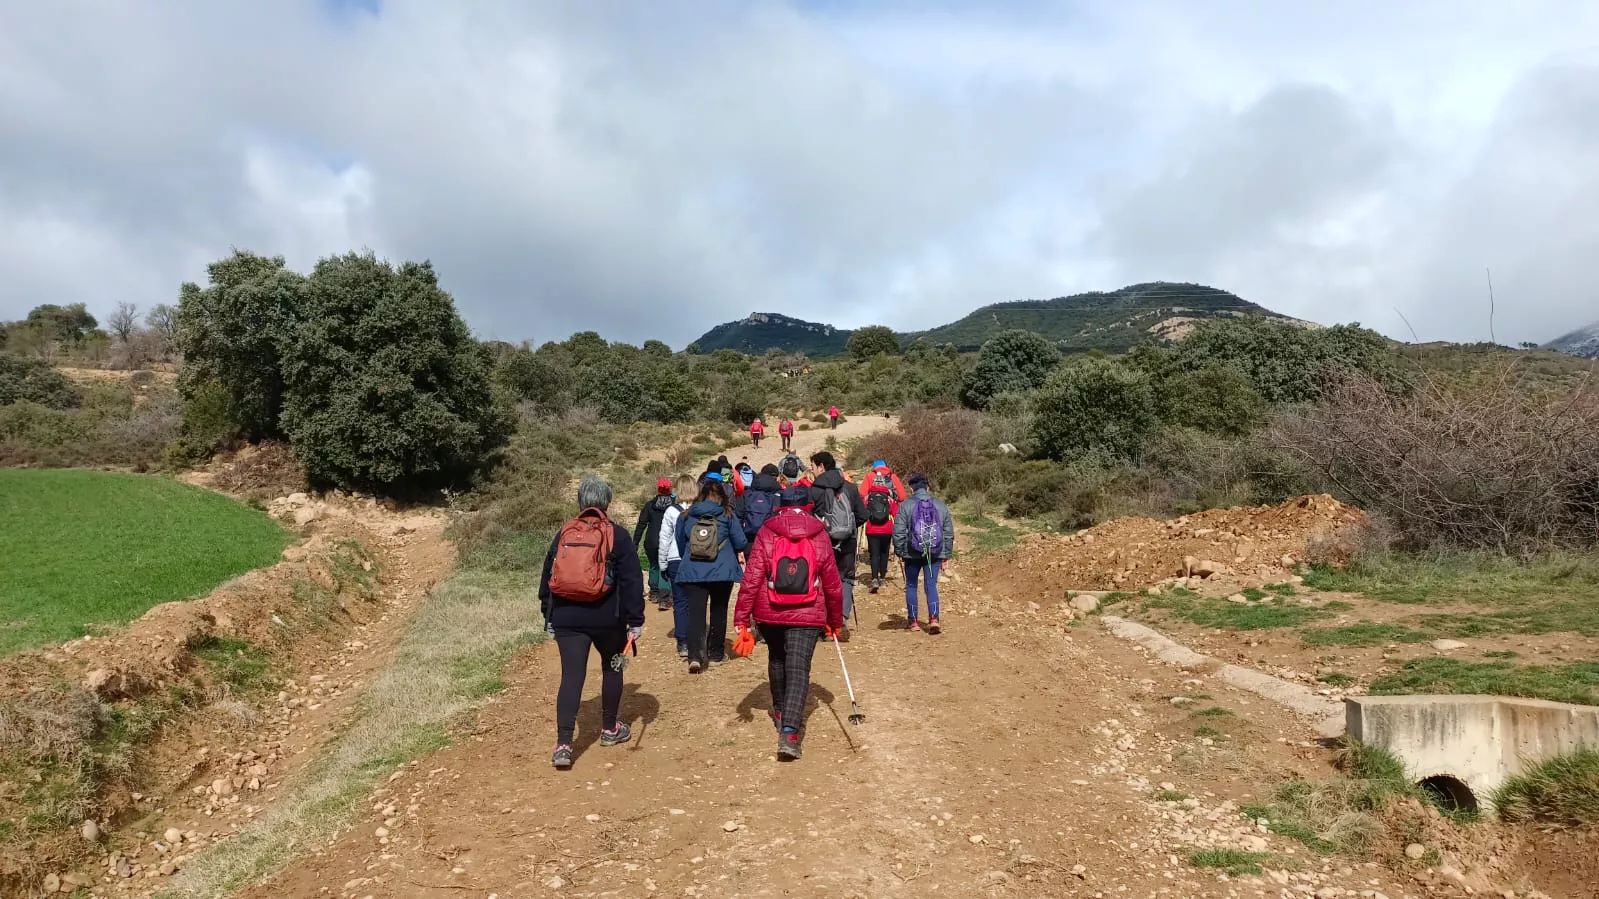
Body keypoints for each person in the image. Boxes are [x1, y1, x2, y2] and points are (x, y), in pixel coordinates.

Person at [539, 474, 645, 769]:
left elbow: (547, 576)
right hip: (608, 618)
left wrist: (548, 614)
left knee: (571, 677)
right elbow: (632, 581)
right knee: (613, 667)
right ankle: (610, 729)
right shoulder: (618, 535)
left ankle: (563, 744)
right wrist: (635, 620)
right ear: (607, 502)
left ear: (580, 502)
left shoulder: (564, 533)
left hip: (566, 618)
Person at [734, 485, 844, 760]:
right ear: (808, 506)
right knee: (798, 668)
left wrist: (742, 618)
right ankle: (790, 733)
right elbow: (832, 583)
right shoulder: (819, 533)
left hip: (769, 610)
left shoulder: (767, 531)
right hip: (808, 612)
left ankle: (781, 711)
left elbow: (752, 577)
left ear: (780, 505)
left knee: (777, 659)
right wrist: (834, 620)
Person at [673, 472, 749, 672]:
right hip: (722, 571)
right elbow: (741, 542)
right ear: (722, 497)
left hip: (693, 570)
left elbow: (680, 543)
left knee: (695, 613)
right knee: (719, 611)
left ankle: (695, 656)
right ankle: (715, 653)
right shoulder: (727, 514)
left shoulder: (686, 516)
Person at [807, 451, 869, 634]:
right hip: (848, 542)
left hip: (822, 543)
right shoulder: (850, 488)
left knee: (823, 580)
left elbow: (809, 518)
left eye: (813, 466)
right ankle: (841, 619)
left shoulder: (814, 490)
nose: (812, 470)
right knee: (846, 578)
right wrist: (848, 528)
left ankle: (826, 624)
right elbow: (863, 515)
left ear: (821, 466)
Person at [892, 473, 956, 635]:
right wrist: (946, 555)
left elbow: (898, 531)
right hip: (934, 552)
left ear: (911, 489)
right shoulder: (940, 506)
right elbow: (948, 532)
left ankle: (913, 621)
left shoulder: (905, 506)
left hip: (911, 553)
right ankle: (934, 619)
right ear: (927, 487)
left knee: (911, 585)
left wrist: (900, 551)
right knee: (931, 585)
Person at [659, 475, 698, 657]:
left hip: (675, 559)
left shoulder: (671, 511)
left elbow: (664, 539)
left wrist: (662, 563)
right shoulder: (699, 510)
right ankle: (696, 638)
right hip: (696, 559)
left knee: (680, 601)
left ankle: (682, 642)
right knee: (696, 601)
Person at [633, 478, 676, 609]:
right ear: (670, 489)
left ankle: (654, 593)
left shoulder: (650, 505)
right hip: (667, 540)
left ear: (658, 489)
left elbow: (641, 525)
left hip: (651, 540)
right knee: (665, 567)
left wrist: (635, 542)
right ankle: (665, 598)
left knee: (654, 566)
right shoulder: (674, 505)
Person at [863, 476, 898, 593]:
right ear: (884, 484)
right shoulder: (889, 498)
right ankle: (882, 578)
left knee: (874, 554)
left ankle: (874, 579)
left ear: (873, 484)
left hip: (872, 530)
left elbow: (862, 512)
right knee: (884, 553)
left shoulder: (867, 498)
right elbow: (895, 513)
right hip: (886, 530)